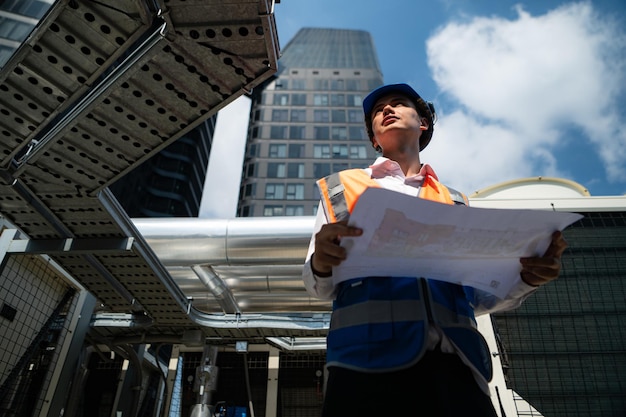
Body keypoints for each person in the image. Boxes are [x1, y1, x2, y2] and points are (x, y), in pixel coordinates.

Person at [302, 83, 568, 417]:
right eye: (377, 112)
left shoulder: (455, 200)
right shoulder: (340, 188)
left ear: (423, 123)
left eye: (398, 104)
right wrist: (321, 264)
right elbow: (316, 284)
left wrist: (526, 279)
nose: (386, 110)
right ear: (374, 137)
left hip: (458, 370)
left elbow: (473, 296)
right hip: (363, 367)